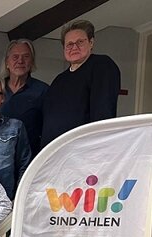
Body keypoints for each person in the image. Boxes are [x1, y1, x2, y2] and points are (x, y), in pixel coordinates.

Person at [41, 20, 121, 148]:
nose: (74, 47)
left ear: (91, 43)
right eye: (69, 44)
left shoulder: (101, 66)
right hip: (55, 151)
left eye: (80, 42)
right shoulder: (59, 80)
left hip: (84, 150)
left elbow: (103, 112)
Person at [0, 39, 48, 157]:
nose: (20, 61)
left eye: (26, 56)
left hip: (30, 156)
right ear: (7, 62)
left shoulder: (43, 90)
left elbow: (48, 128)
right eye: (15, 57)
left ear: (32, 61)